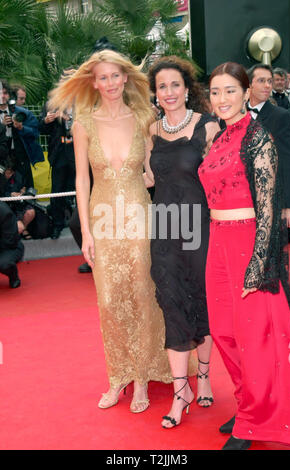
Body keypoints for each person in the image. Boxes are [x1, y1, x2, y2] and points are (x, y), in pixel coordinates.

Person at [48, 50, 172, 412]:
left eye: (115, 76)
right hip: (102, 219)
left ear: (126, 77)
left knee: (141, 294)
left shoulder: (143, 117)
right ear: (93, 82)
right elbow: (81, 179)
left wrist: (157, 174)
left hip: (139, 217)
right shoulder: (83, 122)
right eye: (103, 77)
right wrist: (86, 233)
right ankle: (118, 374)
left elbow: (152, 170)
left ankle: (143, 378)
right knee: (108, 301)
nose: (111, 83)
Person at [198, 61, 290, 450]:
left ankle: (256, 420)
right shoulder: (218, 137)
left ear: (245, 93)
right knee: (224, 332)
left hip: (248, 244)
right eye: (216, 92)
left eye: (230, 91)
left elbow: (269, 206)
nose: (222, 99)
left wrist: (259, 263)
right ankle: (246, 402)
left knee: (255, 338)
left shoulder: (258, 137)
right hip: (218, 242)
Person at [145, 56, 220, 428]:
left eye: (175, 85)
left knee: (201, 303)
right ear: (155, 93)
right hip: (163, 229)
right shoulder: (151, 130)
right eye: (162, 87)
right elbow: (145, 177)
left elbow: (223, 179)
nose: (169, 92)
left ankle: (203, 376)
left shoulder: (207, 127)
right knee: (171, 304)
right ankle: (180, 393)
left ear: (187, 88)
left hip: (199, 229)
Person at [247, 64, 290, 243]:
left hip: (271, 199)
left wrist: (287, 205)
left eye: (269, 81)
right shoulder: (235, 113)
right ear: (249, 85)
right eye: (261, 81)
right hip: (240, 200)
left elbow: (288, 162)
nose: (267, 85)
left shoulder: (281, 116)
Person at [39, 104, 75, 239]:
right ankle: (57, 224)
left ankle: (85, 223)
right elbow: (41, 128)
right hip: (58, 153)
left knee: (80, 188)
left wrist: (67, 117)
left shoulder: (83, 101)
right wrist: (46, 121)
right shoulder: (51, 104)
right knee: (57, 191)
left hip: (78, 151)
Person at [0, 80, 44, 188]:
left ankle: (29, 205)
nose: (2, 96)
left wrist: (21, 127)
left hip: (20, 155)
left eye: (5, 93)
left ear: (10, 95)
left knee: (27, 186)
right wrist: (1, 126)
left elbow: (35, 133)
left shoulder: (23, 113)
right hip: (1, 155)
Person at [0, 201, 24, 288]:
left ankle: (13, 276)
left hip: (10, 247)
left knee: (4, 264)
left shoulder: (3, 210)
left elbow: (10, 240)